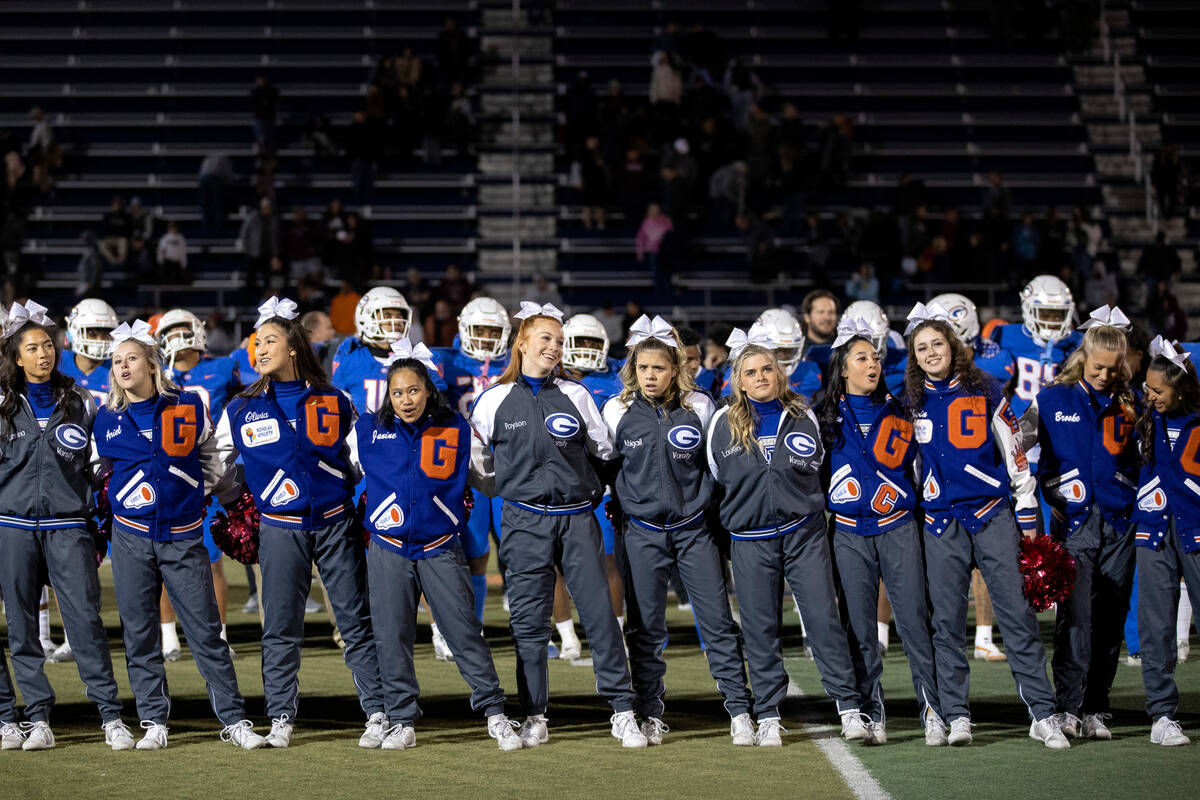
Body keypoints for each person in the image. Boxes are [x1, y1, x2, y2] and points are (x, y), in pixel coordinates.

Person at [469, 301, 646, 748]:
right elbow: (478, 462)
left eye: (559, 341)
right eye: (545, 338)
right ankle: (534, 715)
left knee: (601, 617)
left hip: (575, 520)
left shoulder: (577, 394)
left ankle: (623, 711)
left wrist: (582, 490)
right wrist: (513, 489)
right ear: (522, 342)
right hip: (523, 522)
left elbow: (605, 452)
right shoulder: (492, 399)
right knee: (528, 624)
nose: (554, 347)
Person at [214, 297, 387, 748]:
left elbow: (360, 459)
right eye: (256, 343)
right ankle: (280, 718)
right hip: (278, 528)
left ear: (293, 347)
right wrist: (241, 503)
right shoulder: (240, 409)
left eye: (269, 341)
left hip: (335, 524)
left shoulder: (334, 399)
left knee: (355, 621)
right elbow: (215, 467)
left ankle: (377, 712)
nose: (260, 350)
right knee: (280, 627)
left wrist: (350, 490)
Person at [92, 319, 266, 750]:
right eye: (116, 361)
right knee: (139, 632)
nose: (123, 366)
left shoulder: (188, 405)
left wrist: (212, 497)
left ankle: (234, 720)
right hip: (130, 537)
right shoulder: (106, 420)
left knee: (207, 632)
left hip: (183, 534)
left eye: (131, 358)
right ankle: (153, 721)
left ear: (152, 363)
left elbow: (212, 460)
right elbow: (97, 475)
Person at [902, 302, 1068, 749]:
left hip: (991, 514)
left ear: (954, 347)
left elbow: (1015, 453)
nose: (932, 352)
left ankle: (1042, 712)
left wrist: (1028, 510)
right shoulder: (910, 400)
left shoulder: (988, 388)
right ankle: (957, 715)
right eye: (922, 347)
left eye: (938, 343)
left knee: (1016, 616)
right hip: (940, 523)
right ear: (913, 356)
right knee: (948, 624)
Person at [346, 339, 522, 751]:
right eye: (397, 392)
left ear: (428, 390)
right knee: (392, 636)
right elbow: (343, 474)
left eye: (413, 391)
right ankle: (402, 719)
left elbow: (490, 479)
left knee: (463, 632)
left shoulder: (457, 430)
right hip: (388, 548)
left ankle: (496, 713)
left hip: (441, 547)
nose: (406, 400)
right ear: (387, 395)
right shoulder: (369, 430)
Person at [705, 328, 866, 746]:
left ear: (780, 373)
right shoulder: (721, 423)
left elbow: (818, 468)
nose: (761, 377)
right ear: (738, 380)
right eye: (752, 372)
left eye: (767, 370)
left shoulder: (803, 414)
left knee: (823, 622)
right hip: (750, 539)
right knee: (760, 630)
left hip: (804, 536)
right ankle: (769, 714)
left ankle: (849, 708)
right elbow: (718, 480)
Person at [602, 314, 755, 746]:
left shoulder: (702, 407)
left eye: (660, 368)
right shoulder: (615, 411)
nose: (651, 376)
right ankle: (649, 712)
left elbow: (719, 464)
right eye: (643, 368)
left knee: (718, 623)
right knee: (645, 629)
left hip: (694, 532)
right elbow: (605, 467)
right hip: (642, 533)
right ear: (633, 369)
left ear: (677, 370)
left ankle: (740, 710)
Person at [0, 301, 135, 752]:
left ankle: (110, 717)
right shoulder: (1, 403)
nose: (43, 354)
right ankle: (37, 718)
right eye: (32, 348)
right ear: (16, 357)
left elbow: (99, 464)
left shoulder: (80, 399)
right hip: (13, 527)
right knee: (20, 628)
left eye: (48, 346)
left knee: (84, 623)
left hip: (68, 527)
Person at [815, 315, 946, 746]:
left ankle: (934, 709)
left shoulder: (902, 410)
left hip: (898, 528)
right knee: (860, 628)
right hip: (849, 532)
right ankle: (872, 712)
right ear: (843, 366)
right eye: (861, 358)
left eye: (874, 357)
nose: (872, 365)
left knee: (913, 621)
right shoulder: (822, 416)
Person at [1019, 306, 1139, 742]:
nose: (1106, 375)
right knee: (1077, 617)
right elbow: (1018, 448)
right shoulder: (1051, 398)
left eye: (1113, 367)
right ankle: (1067, 705)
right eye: (1098, 367)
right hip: (1073, 524)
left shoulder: (1133, 403)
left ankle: (1096, 707)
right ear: (1083, 358)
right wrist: (1036, 495)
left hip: (1120, 523)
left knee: (1111, 617)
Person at [930, 292, 1015, 661]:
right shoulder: (917, 378)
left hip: (986, 469)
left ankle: (983, 634)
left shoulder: (992, 365)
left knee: (991, 567)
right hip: (941, 484)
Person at [154, 309, 242, 662]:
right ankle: (168, 638)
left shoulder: (222, 368)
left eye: (182, 329)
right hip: (167, 474)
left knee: (212, 558)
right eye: (170, 330)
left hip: (206, 471)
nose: (178, 336)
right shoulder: (157, 372)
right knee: (164, 559)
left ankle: (219, 633)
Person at [1130, 336, 1200, 746]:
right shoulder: (1141, 417)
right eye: (1148, 388)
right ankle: (1161, 714)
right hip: (1152, 528)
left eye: (1158, 390)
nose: (1150, 395)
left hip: (1195, 526)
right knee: (1155, 625)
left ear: (1182, 390)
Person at [431, 297, 511, 640]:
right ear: (464, 329)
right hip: (462, 468)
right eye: (480, 330)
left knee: (514, 555)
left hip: (509, 466)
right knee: (468, 550)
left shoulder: (515, 363)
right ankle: (454, 628)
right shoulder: (444, 361)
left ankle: (502, 629)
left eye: (494, 331)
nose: (487, 337)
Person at [561, 313, 626, 648]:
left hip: (602, 478)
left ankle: (614, 631)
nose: (586, 350)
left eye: (592, 342)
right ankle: (565, 635)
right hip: (561, 481)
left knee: (608, 559)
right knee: (554, 563)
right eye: (580, 341)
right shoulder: (551, 378)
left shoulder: (617, 378)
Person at [331, 287, 437, 415]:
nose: (396, 321)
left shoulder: (416, 356)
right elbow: (337, 408)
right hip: (362, 433)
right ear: (366, 318)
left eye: (399, 316)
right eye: (387, 315)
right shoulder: (350, 357)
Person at [992, 275, 1082, 417]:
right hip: (1018, 422)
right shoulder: (1006, 335)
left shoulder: (1079, 342)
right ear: (1028, 309)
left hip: (1061, 419)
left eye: (1058, 314)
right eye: (1045, 314)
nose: (1052, 321)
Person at [720, 308, 820, 401]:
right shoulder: (740, 370)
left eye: (789, 350)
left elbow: (805, 402)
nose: (784, 356)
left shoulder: (809, 370)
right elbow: (730, 401)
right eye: (777, 350)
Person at [800, 289, 839, 373]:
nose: (827, 317)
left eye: (831, 312)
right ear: (807, 317)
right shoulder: (796, 351)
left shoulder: (844, 348)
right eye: (821, 312)